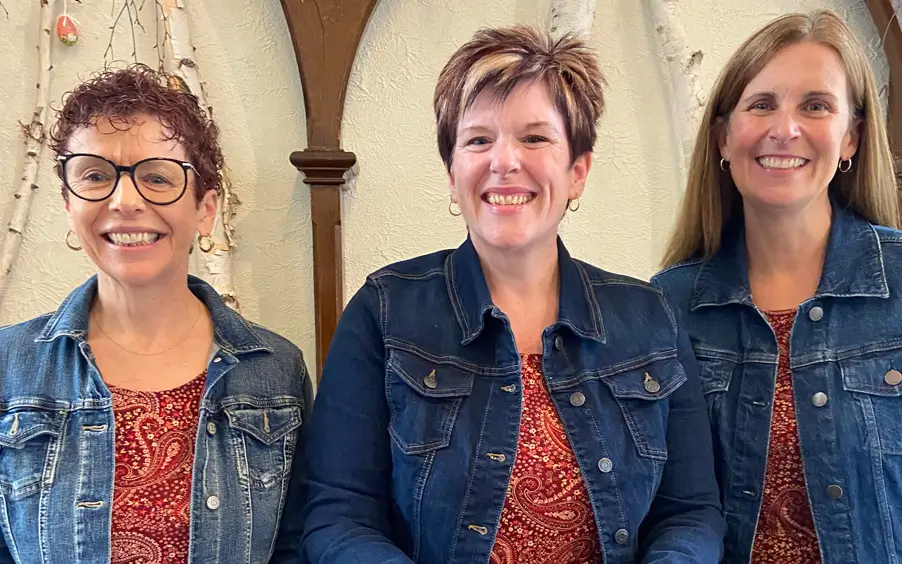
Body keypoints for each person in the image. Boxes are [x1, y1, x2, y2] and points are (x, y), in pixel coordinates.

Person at [302, 25, 724, 563]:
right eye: (478, 139)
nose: (504, 160)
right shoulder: (384, 311)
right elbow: (339, 517)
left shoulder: (650, 317)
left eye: (534, 137)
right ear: (453, 175)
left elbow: (690, 514)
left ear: (577, 171)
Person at [0, 64, 312, 563]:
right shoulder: (8, 366)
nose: (125, 201)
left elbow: (296, 547)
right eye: (95, 176)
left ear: (205, 208)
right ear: (67, 203)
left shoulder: (274, 370)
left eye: (157, 178)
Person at [652, 10, 902, 563]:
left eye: (815, 105)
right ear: (723, 135)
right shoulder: (667, 306)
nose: (784, 128)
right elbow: (670, 510)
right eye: (761, 104)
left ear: (851, 139)